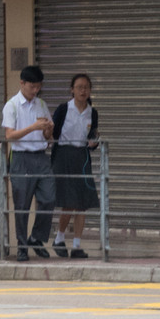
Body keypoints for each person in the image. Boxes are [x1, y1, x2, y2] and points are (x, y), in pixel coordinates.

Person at [3, 63, 56, 260]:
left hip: (41, 156)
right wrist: (33, 127)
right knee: (22, 204)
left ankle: (36, 237)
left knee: (49, 198)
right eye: (32, 86)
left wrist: (48, 129)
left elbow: (47, 136)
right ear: (22, 83)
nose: (36, 90)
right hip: (21, 158)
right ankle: (22, 247)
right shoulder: (12, 105)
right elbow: (10, 135)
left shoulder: (41, 104)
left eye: (38, 87)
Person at [51, 73, 101, 259]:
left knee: (82, 204)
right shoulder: (64, 109)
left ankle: (77, 245)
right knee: (69, 203)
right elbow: (53, 133)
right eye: (79, 87)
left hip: (82, 157)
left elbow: (92, 136)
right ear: (72, 90)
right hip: (64, 156)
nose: (83, 90)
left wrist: (94, 143)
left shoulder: (92, 112)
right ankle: (59, 238)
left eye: (86, 87)